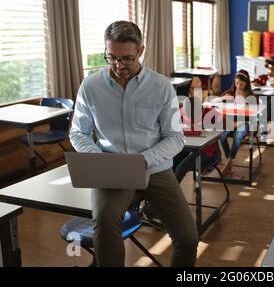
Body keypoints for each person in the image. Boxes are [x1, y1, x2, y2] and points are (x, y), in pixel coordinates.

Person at [69, 21, 198, 267]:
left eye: (127, 59)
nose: (119, 66)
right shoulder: (90, 86)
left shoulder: (161, 87)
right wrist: (97, 158)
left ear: (140, 51)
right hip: (110, 170)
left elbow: (175, 137)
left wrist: (143, 160)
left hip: (155, 170)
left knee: (188, 239)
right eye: (112, 58)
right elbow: (78, 133)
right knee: (105, 226)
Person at [173, 96, 221, 181]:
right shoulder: (182, 111)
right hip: (190, 146)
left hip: (209, 151)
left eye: (194, 117)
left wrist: (211, 129)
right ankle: (169, 190)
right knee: (172, 162)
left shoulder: (211, 113)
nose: (192, 120)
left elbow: (226, 126)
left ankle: (172, 193)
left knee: (181, 168)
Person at [217, 70, 255, 178]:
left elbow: (253, 116)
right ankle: (230, 163)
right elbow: (215, 101)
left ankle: (228, 164)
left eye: (241, 84)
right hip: (232, 122)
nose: (238, 86)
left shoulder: (251, 97)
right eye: (236, 83)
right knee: (222, 136)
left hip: (245, 122)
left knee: (237, 135)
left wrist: (240, 122)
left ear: (247, 84)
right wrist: (222, 98)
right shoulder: (231, 92)